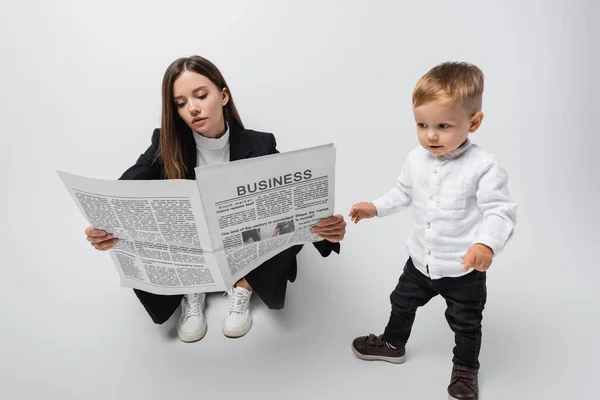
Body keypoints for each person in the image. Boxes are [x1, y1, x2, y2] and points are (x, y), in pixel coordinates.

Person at [84, 55, 346, 343]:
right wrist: (104, 225)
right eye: (181, 103)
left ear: (222, 96)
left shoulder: (260, 143)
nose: (193, 108)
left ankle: (243, 285)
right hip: (189, 251)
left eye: (200, 95)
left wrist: (328, 230)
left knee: (285, 222)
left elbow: (295, 205)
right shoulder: (164, 143)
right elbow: (129, 186)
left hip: (244, 246)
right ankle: (191, 290)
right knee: (144, 220)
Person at [348, 62, 516, 400]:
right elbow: (403, 194)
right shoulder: (415, 158)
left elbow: (500, 210)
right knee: (401, 301)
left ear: (474, 122)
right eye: (422, 124)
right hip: (420, 260)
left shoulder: (484, 167)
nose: (431, 135)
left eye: (443, 125)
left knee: (466, 322)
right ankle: (393, 343)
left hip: (462, 268)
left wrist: (486, 244)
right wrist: (375, 207)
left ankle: (466, 369)